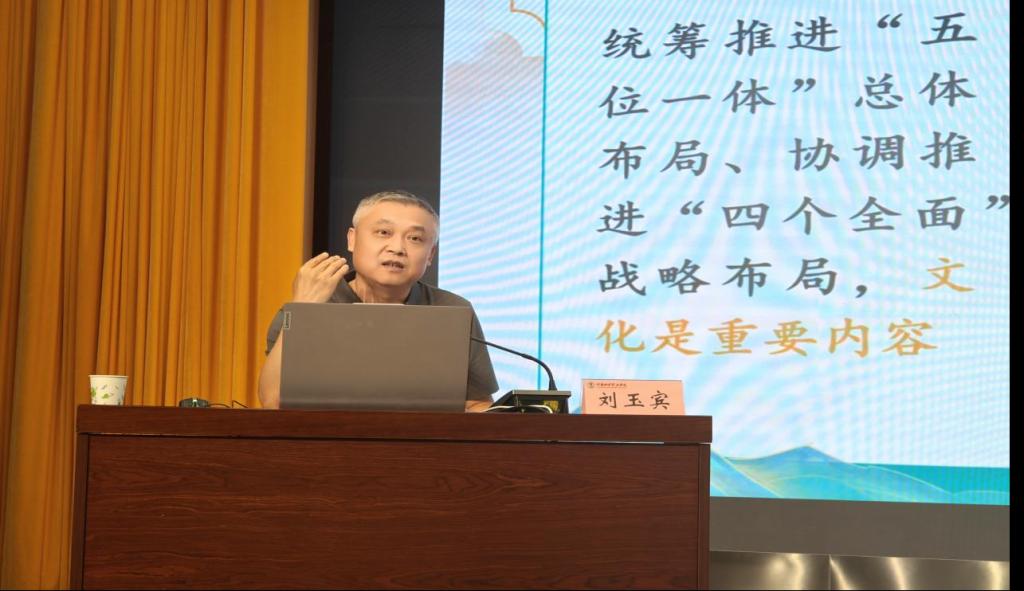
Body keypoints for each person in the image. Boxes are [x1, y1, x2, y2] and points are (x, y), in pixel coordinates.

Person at [257, 190, 499, 411]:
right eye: (383, 233)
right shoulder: (312, 303)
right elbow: (273, 401)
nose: (397, 248)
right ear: (352, 240)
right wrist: (303, 310)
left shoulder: (452, 310)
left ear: (430, 255)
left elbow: (477, 405)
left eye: (415, 238)